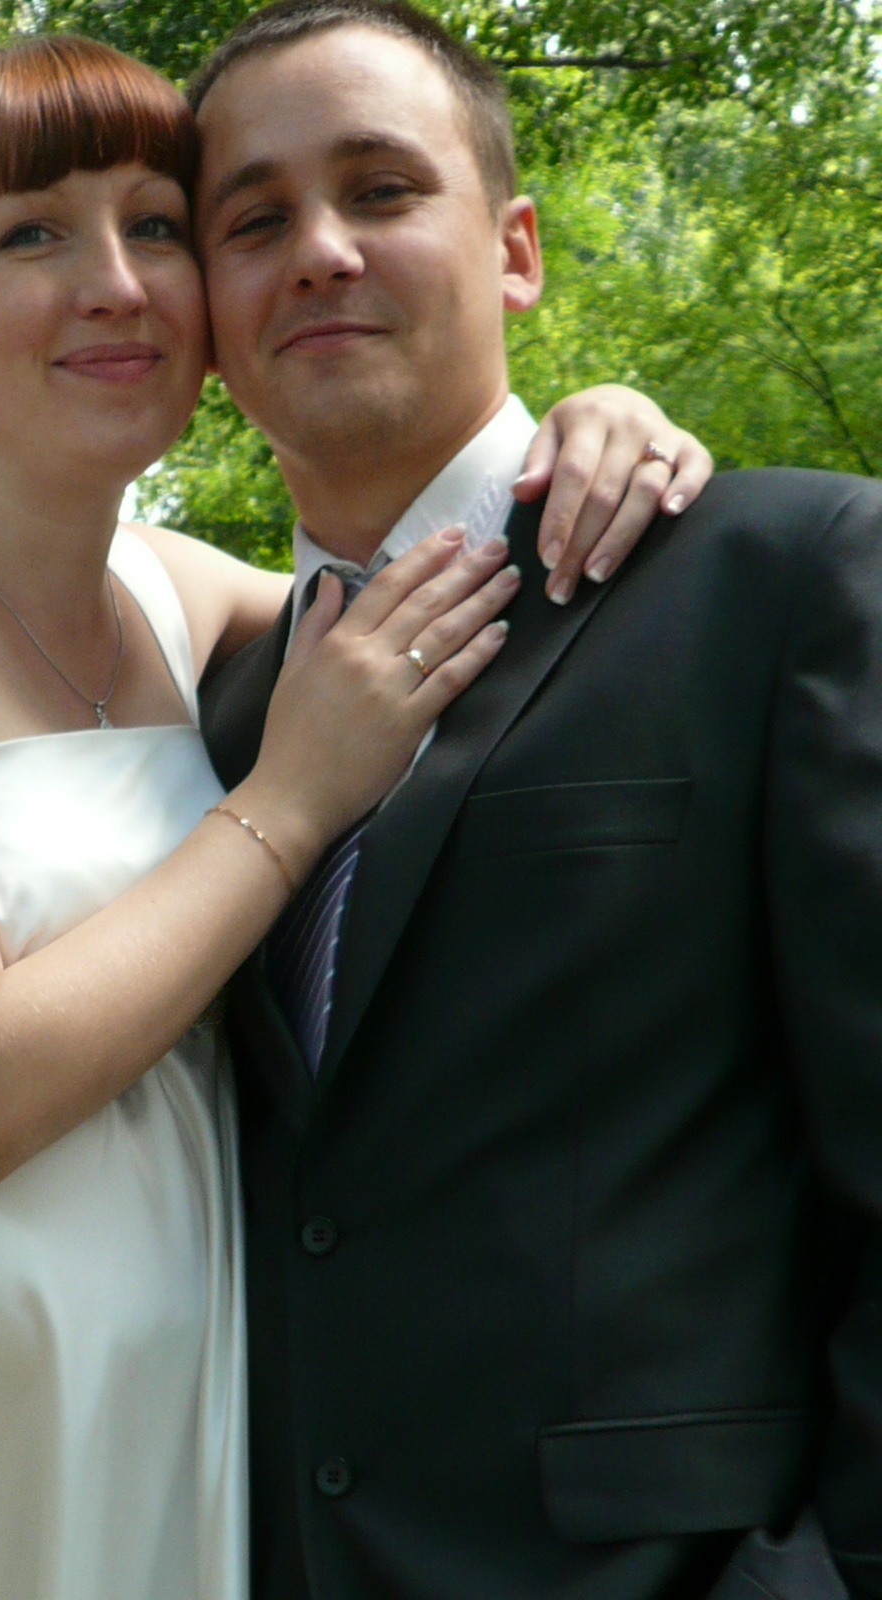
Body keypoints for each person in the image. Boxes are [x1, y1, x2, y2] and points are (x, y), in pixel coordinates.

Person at [0, 31, 709, 1600]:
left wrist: (600, 422)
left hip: (169, 1401)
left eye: (156, 227)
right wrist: (289, 800)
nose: (117, 285)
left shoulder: (191, 605)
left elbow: (436, 553)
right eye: (33, 235)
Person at [188, 5, 882, 1599]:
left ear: (514, 251)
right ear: (207, 310)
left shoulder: (780, 581)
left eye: (381, 190)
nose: (320, 252)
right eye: (253, 221)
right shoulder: (208, 722)